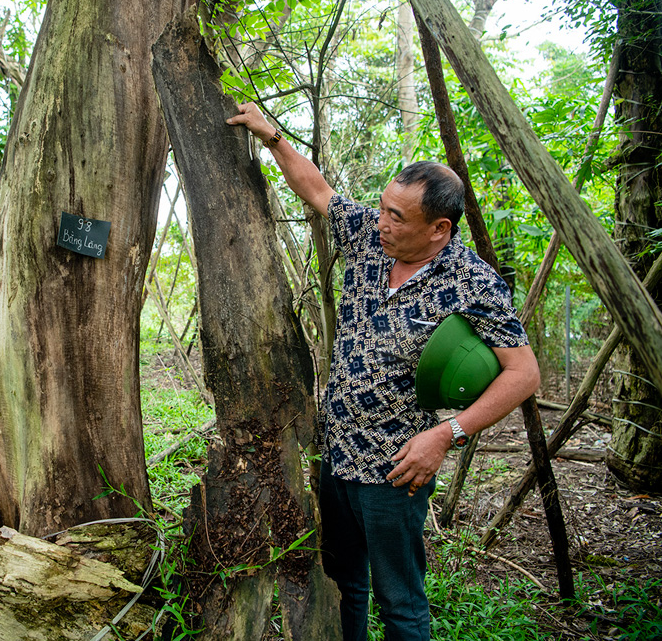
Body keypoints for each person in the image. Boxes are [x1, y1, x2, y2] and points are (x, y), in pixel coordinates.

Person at [227, 102, 540, 640]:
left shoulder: (472, 281)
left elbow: (525, 373)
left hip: (397, 468)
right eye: (382, 209)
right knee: (344, 585)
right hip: (338, 453)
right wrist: (271, 135)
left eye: (398, 217)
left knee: (400, 601)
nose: (382, 223)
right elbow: (319, 191)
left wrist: (447, 435)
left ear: (439, 229)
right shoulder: (372, 242)